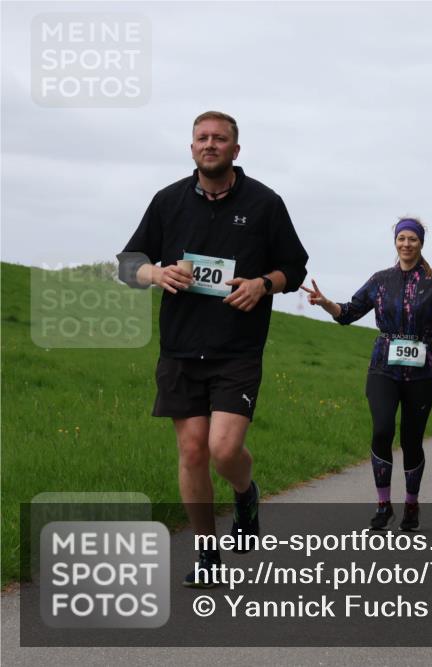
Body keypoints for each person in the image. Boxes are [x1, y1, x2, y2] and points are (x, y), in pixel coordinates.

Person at [117, 111, 309, 586]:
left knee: (224, 450)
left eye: (219, 139)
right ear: (191, 148)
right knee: (192, 452)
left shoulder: (265, 203)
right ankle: (206, 556)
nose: (210, 145)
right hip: (181, 348)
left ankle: (245, 492)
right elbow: (127, 264)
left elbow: (295, 267)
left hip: (237, 348)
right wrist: (156, 273)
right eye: (202, 138)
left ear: (235, 150)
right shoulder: (168, 202)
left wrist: (264, 284)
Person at [302, 218, 432, 531]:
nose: (407, 244)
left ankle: (410, 504)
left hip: (421, 373)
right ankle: (383, 504)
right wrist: (326, 303)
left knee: (411, 440)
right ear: (395, 242)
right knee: (382, 430)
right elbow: (350, 312)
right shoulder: (381, 280)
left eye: (413, 239)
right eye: (401, 239)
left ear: (421, 244)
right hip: (383, 367)